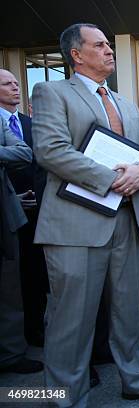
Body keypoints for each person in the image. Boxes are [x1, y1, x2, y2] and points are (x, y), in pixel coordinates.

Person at [31, 23, 139, 405]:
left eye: (110, 45)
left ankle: (137, 382)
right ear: (76, 54)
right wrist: (114, 179)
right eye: (100, 45)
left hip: (128, 223)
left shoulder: (125, 102)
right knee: (70, 322)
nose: (109, 50)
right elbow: (51, 151)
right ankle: (66, 398)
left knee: (128, 313)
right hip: (74, 226)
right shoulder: (51, 91)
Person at [0, 69, 47, 347]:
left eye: (17, 83)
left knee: (36, 275)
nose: (15, 87)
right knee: (11, 281)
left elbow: (42, 164)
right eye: (7, 84)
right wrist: (12, 199)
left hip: (37, 211)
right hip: (9, 211)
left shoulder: (31, 125)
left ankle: (35, 329)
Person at [0, 117, 40, 374]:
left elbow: (23, 152)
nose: (14, 86)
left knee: (8, 286)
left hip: (4, 216)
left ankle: (10, 353)